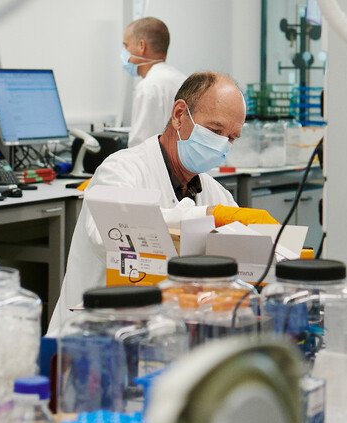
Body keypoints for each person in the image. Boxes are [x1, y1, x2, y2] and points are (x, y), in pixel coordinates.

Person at [48, 72, 278, 334]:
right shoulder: (120, 170)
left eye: (232, 138)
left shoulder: (216, 193)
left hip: (162, 337)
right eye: (215, 131)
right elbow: (110, 237)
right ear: (179, 115)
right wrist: (206, 216)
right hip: (93, 334)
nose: (222, 145)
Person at [121, 17, 187, 147]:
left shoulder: (148, 87)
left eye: (126, 46)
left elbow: (140, 148)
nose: (124, 53)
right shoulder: (183, 80)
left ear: (141, 46)